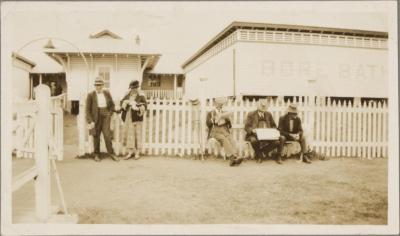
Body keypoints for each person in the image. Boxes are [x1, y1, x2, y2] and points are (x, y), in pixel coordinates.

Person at [85, 77, 118, 162]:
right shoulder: (90, 95)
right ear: (94, 86)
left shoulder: (107, 93)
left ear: (103, 85)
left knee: (107, 135)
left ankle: (111, 153)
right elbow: (87, 110)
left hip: (105, 115)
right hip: (96, 116)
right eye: (96, 85)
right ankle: (97, 154)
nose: (98, 87)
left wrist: (109, 113)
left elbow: (112, 105)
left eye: (100, 85)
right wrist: (90, 121)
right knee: (96, 135)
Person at [244, 99, 285, 164]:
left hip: (267, 135)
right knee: (253, 140)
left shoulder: (268, 114)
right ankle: (260, 156)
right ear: (258, 107)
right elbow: (246, 127)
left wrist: (273, 131)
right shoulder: (251, 114)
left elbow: (274, 125)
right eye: (261, 108)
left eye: (264, 108)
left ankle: (278, 156)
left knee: (280, 139)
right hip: (255, 135)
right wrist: (252, 130)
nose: (263, 110)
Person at [206, 97, 243, 166]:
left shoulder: (224, 112)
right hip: (215, 131)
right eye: (219, 104)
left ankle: (234, 157)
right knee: (224, 139)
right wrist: (213, 119)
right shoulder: (210, 113)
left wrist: (227, 120)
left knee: (231, 139)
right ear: (215, 104)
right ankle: (232, 157)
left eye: (221, 105)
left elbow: (230, 126)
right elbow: (208, 124)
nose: (220, 106)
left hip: (224, 130)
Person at [120, 80, 147, 160]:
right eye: (132, 88)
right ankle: (130, 152)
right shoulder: (127, 94)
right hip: (128, 117)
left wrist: (138, 107)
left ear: (137, 88)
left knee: (137, 134)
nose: (133, 90)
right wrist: (125, 103)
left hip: (136, 117)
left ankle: (137, 153)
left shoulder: (141, 96)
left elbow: (145, 105)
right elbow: (122, 102)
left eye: (135, 88)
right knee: (129, 134)